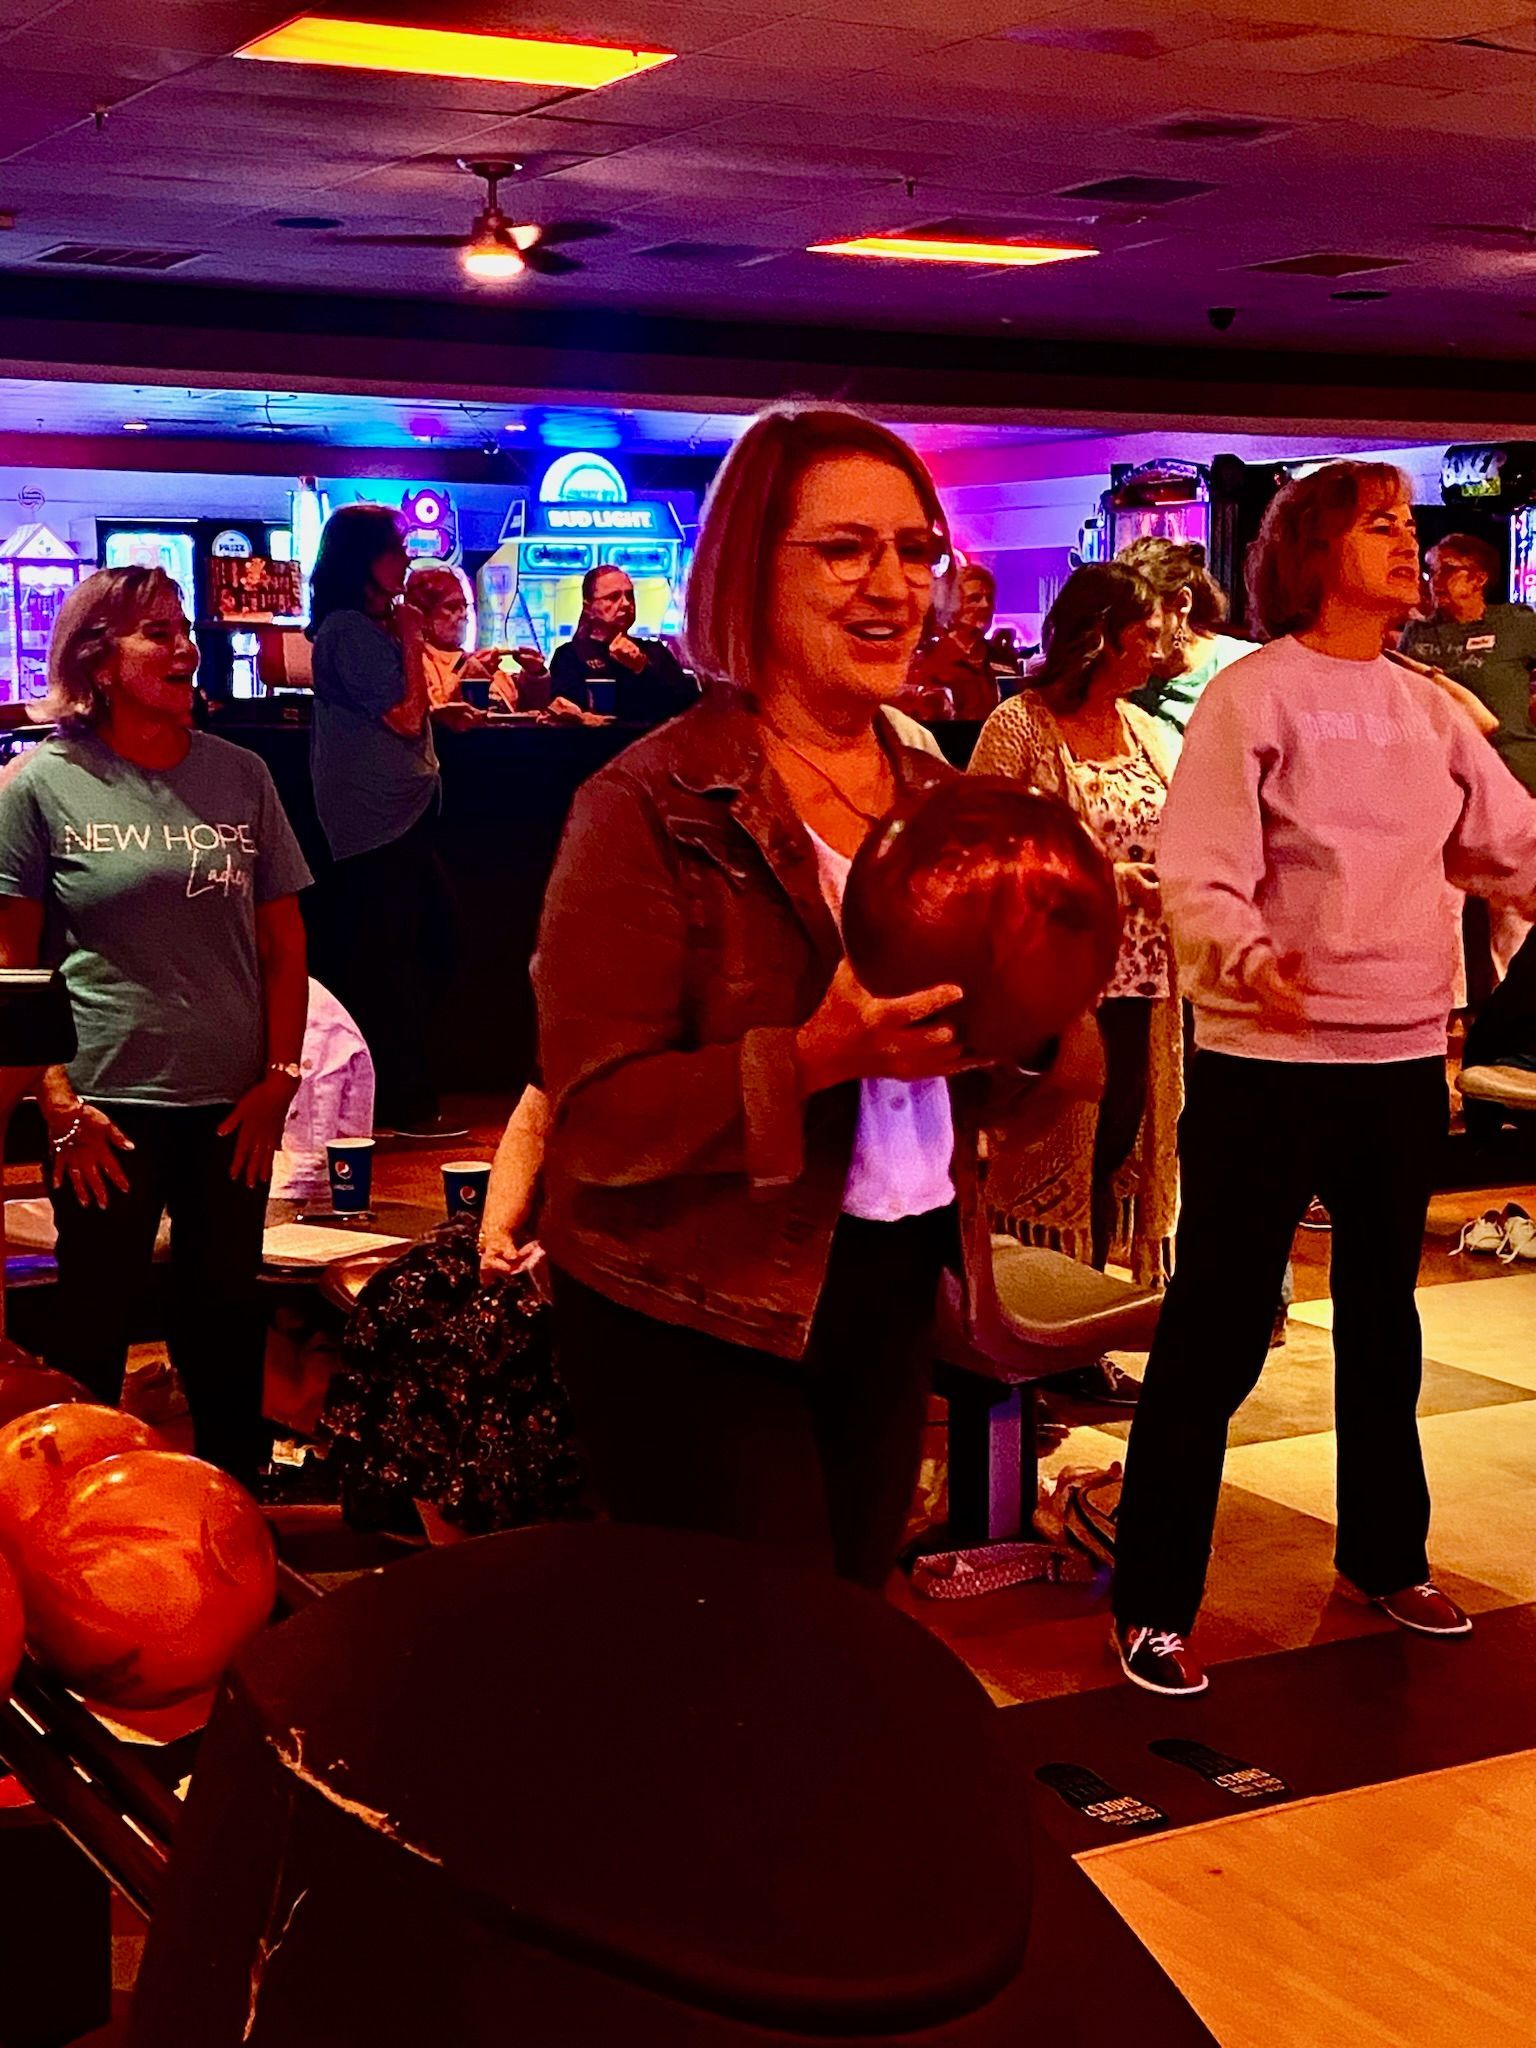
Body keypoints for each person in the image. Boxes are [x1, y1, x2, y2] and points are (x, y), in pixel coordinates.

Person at [532, 404, 1097, 1591]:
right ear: (747, 569)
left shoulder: (938, 790)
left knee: (842, 1633)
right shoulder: (650, 802)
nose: (892, 584)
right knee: (753, 1676)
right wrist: (815, 1056)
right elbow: (598, 1117)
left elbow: (992, 1089)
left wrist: (1052, 998)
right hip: (690, 1301)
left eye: (914, 550)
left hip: (886, 1280)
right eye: (844, 549)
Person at [1110, 461, 1536, 1698]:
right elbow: (1199, 867)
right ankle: (1150, 1598)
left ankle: (1384, 1556)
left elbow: (1507, 846)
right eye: (1383, 525)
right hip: (1266, 1064)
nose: (1413, 543)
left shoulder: (1430, 705)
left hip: (1400, 1057)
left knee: (1384, 1323)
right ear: (1309, 550)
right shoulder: (1254, 695)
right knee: (1222, 1326)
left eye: (1413, 524)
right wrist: (1241, 953)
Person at [0, 567, 312, 1481]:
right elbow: (13, 976)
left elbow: (285, 947)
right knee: (92, 1333)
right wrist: (58, 1108)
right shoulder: (39, 784)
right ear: (96, 660)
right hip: (104, 1112)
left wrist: (278, 1084)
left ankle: (233, 1526)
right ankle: (79, 1523)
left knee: (223, 1330)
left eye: (183, 629)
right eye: (154, 632)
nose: (185, 647)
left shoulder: (241, 775)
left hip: (232, 1107)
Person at [970, 563, 1181, 1292]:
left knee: (1113, 1149)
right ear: (1102, 639)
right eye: (1145, 636)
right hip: (1055, 986)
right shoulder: (1019, 725)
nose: (1157, 652)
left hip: (1144, 981)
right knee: (1050, 1155)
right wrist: (1102, 880)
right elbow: (982, 852)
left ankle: (1083, 1319)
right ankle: (1035, 1322)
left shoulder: (1146, 729)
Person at [307, 505, 461, 1139]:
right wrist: (408, 633)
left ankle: (397, 1098)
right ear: (361, 561)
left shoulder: (369, 626)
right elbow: (403, 715)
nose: (406, 558)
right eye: (395, 549)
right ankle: (399, 1105)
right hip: (371, 818)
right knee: (392, 959)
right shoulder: (347, 629)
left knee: (429, 947)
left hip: (404, 812)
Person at [1401, 533, 1536, 977]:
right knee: (1439, 899)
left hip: (1512, 772)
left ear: (1478, 578)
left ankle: (1513, 1013)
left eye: (1445, 568)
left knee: (1513, 908)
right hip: (1439, 784)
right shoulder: (1418, 633)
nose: (1433, 579)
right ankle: (1449, 1008)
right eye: (1430, 569)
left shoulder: (1516, 623)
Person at [1122, 536, 1253, 749]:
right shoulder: (1123, 680)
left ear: (1183, 603)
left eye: (1149, 633)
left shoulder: (1244, 668)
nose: (1138, 648)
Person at [547, 566, 695, 725]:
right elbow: (561, 708)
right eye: (613, 597)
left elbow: (686, 706)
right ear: (589, 607)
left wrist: (643, 668)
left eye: (630, 596)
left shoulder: (655, 651)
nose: (626, 604)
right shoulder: (569, 655)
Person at [404, 565, 548, 714]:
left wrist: (535, 675)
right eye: (452, 607)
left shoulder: (479, 660)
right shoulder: (417, 663)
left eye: (464, 606)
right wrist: (473, 674)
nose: (463, 614)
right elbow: (430, 715)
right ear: (423, 616)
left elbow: (527, 710)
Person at [902, 563, 1016, 722]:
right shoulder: (928, 662)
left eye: (989, 598)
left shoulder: (1004, 658)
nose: (986, 605)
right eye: (974, 599)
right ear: (951, 605)